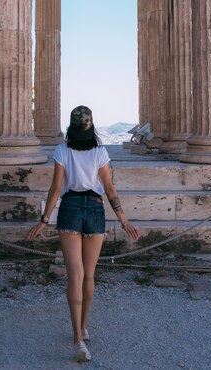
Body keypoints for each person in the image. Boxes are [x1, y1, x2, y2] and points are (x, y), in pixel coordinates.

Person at [28, 105, 139, 363]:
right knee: (89, 275)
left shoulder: (61, 151)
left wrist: (44, 220)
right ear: (91, 127)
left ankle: (77, 338)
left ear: (71, 127)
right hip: (95, 209)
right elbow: (110, 190)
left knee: (74, 275)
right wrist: (124, 221)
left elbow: (56, 189)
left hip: (70, 208)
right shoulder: (101, 152)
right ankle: (85, 326)